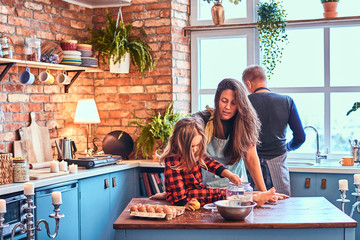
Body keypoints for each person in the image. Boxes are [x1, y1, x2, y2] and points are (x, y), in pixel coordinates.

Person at [161, 116, 278, 211]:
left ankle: (255, 195)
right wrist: (183, 204)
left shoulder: (194, 153)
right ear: (181, 143)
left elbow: (211, 164)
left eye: (198, 145)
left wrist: (229, 174)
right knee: (219, 194)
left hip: (195, 190)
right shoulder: (173, 159)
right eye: (192, 146)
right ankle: (254, 199)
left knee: (218, 191)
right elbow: (178, 191)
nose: (196, 149)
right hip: (185, 196)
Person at [242, 65, 306, 196]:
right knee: (281, 207)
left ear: (248, 83)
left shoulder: (244, 103)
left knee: (253, 206)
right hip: (278, 162)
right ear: (264, 79)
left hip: (251, 165)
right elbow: (300, 137)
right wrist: (287, 147)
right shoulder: (287, 101)